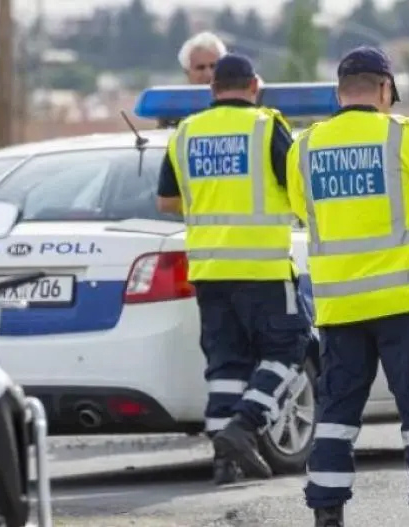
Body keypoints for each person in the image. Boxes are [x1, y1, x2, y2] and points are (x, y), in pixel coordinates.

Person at [286, 46, 409, 527]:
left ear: (339, 92)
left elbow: (304, 211)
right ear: (386, 89)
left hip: (339, 305)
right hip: (405, 300)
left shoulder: (303, 146)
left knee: (336, 410)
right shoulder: (404, 135)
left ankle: (327, 512)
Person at [155, 53, 309, 486]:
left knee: (226, 364)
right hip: (261, 267)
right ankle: (246, 424)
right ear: (254, 86)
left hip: (208, 270)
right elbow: (297, 186)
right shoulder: (265, 126)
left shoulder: (185, 133)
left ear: (212, 90)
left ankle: (225, 461)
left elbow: (166, 201)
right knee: (289, 348)